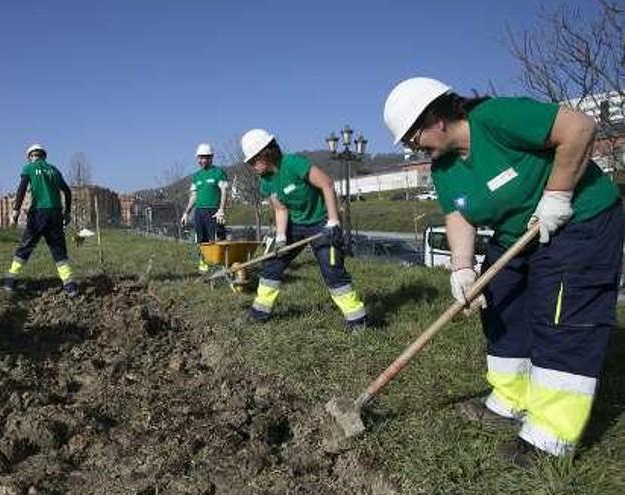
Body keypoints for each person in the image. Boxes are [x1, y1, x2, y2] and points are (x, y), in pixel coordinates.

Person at [383, 77, 624, 464]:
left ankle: (551, 436)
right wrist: (462, 269)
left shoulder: (495, 118)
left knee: (562, 317)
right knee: (501, 303)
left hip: (579, 221)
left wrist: (558, 194)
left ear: (436, 118)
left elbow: (579, 127)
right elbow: (458, 212)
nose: (414, 147)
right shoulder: (444, 169)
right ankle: (510, 399)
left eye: (413, 137)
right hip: (520, 233)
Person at [240, 128, 368, 330]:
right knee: (272, 263)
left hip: (322, 222)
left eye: (253, 161)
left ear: (266, 153)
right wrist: (281, 238)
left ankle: (357, 321)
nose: (252, 166)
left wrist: (334, 221)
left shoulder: (293, 164)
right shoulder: (266, 181)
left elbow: (326, 183)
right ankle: (259, 313)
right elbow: (281, 209)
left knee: (332, 269)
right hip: (296, 225)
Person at [3, 143, 77, 295]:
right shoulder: (54, 170)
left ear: (31, 156)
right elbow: (67, 191)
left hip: (38, 214)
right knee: (58, 250)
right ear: (44, 155)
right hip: (56, 214)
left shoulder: (29, 168)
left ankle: (10, 282)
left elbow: (21, 189)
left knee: (26, 246)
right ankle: (70, 286)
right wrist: (67, 212)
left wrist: (15, 212)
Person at [180, 143, 229, 272]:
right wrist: (186, 213)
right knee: (201, 239)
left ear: (211, 157)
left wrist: (221, 210)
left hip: (214, 211)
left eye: (205, 157)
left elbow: (224, 192)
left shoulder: (219, 172)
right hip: (199, 212)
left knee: (217, 239)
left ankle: (219, 263)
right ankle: (204, 262)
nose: (202, 160)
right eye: (200, 158)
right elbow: (193, 196)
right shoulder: (196, 176)